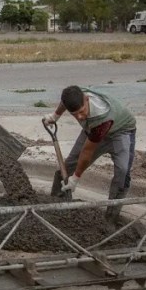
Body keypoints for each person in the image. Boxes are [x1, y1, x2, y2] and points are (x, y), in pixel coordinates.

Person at [42, 85, 137, 225]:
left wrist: (75, 178)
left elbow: (87, 151)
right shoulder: (76, 95)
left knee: (122, 172)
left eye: (81, 111)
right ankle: (56, 206)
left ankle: (110, 220)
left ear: (87, 99)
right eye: (75, 114)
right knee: (69, 166)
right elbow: (65, 101)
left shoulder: (101, 116)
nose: (79, 116)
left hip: (120, 131)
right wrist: (55, 116)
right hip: (92, 129)